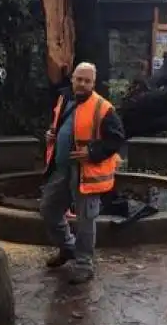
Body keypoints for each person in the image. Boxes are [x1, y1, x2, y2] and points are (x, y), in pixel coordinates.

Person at [41, 62, 126, 284]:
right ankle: (68, 247)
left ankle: (84, 264)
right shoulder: (65, 99)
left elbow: (116, 139)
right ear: (72, 79)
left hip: (85, 173)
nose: (82, 84)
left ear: (93, 83)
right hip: (62, 170)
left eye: (87, 81)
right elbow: (63, 126)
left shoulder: (103, 108)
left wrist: (92, 152)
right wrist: (52, 134)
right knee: (49, 209)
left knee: (86, 221)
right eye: (79, 79)